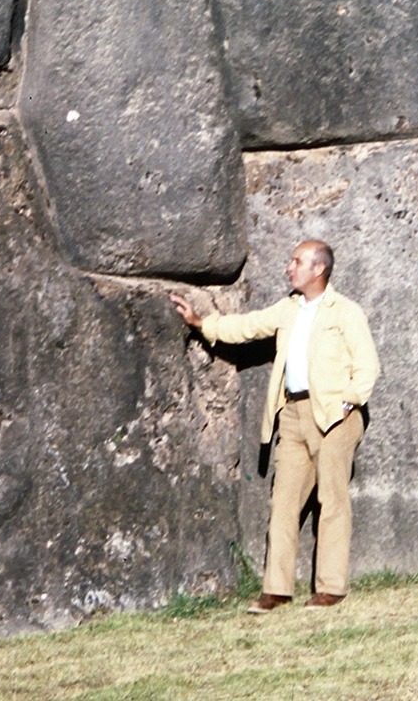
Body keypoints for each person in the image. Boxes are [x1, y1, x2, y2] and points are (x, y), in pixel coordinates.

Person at [169, 240, 379, 613]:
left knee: (332, 501)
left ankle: (331, 588)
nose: (289, 267)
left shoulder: (346, 312)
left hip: (334, 415)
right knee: (283, 503)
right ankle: (276, 589)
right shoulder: (288, 308)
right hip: (293, 414)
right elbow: (248, 326)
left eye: (297, 261)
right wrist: (202, 323)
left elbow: (367, 364)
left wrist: (348, 402)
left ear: (319, 269)